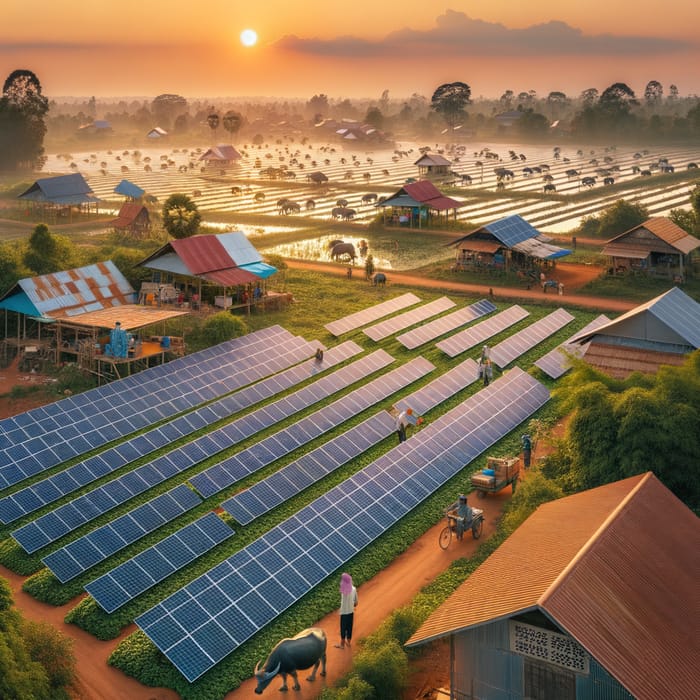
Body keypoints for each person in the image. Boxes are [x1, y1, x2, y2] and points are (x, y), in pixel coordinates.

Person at [335, 572, 358, 649]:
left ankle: (342, 645)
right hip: (351, 612)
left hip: (344, 612)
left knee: (343, 628)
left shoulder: (343, 590)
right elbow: (356, 603)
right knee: (349, 627)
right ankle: (348, 642)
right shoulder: (354, 589)